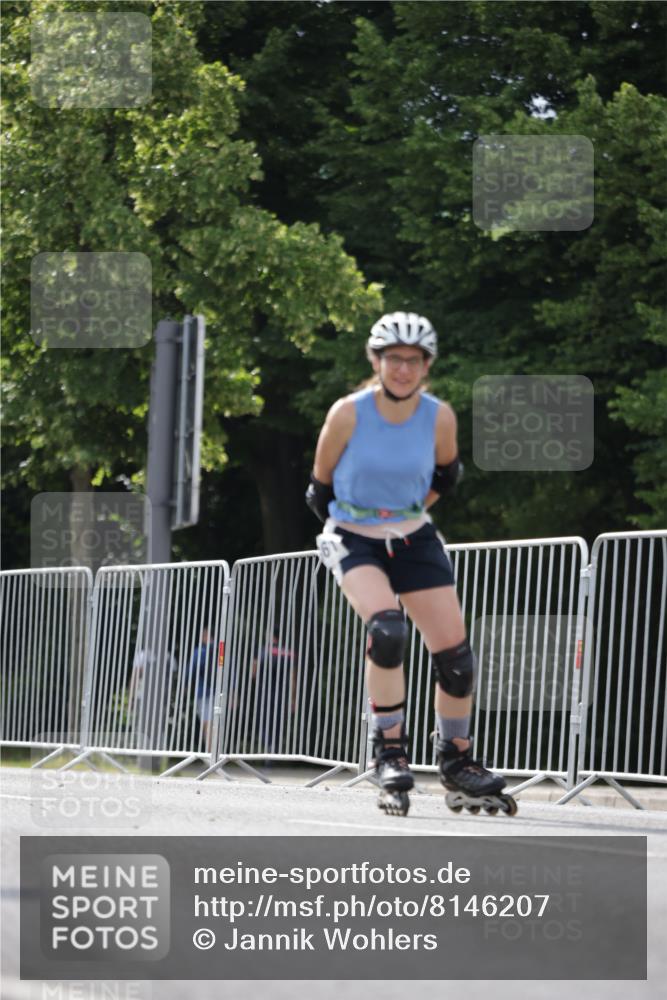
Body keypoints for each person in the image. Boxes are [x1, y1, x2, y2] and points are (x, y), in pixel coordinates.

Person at [305, 311, 516, 817]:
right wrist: (362, 526)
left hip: (413, 535)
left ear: (427, 365)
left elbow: (448, 472)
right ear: (375, 361)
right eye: (393, 358)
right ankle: (390, 752)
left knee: (456, 658)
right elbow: (320, 488)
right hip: (354, 538)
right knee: (388, 631)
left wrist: (407, 516)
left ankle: (457, 759)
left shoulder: (439, 415)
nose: (403, 369)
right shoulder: (348, 413)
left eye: (414, 360)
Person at [252, 628, 296, 760]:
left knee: (264, 719)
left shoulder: (262, 651)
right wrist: (293, 698)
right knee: (277, 721)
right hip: (282, 693)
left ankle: (266, 748)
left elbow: (253, 673)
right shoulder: (289, 654)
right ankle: (274, 748)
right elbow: (293, 677)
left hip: (264, 690)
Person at [188, 627, 216, 752]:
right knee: (212, 722)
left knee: (206, 722)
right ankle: (212, 752)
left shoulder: (198, 652)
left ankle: (209, 752)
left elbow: (190, 672)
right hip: (216, 691)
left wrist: (186, 687)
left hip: (202, 691)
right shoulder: (219, 651)